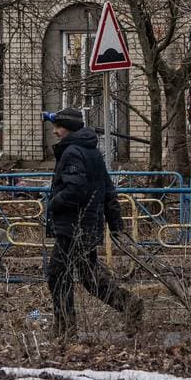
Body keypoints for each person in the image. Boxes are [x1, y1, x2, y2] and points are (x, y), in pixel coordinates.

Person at [43, 107, 142, 339]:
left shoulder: (72, 152)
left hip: (74, 226)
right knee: (88, 276)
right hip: (89, 225)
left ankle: (66, 329)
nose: (55, 131)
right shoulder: (93, 153)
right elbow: (108, 190)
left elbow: (75, 190)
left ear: (67, 129)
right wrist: (115, 224)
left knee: (58, 275)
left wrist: (53, 203)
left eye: (58, 127)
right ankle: (127, 303)